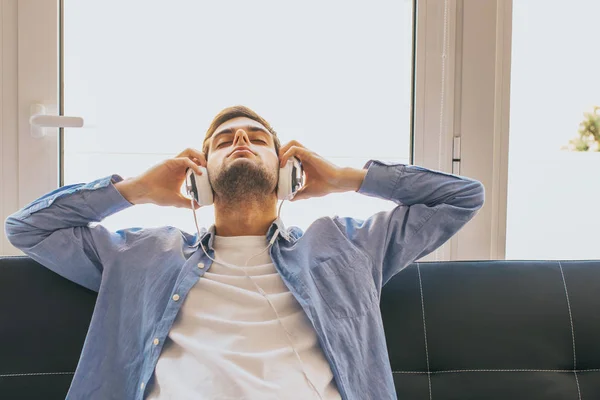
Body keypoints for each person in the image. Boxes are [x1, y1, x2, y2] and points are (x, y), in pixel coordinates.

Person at [4, 105, 485, 400]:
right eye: (223, 141)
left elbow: (463, 197)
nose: (240, 142)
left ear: (286, 171)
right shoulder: (142, 254)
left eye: (257, 139)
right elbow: (27, 228)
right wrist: (136, 190)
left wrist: (346, 179)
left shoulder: (346, 244)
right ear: (199, 174)